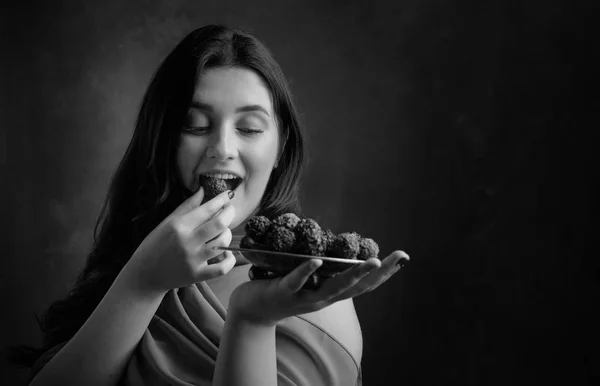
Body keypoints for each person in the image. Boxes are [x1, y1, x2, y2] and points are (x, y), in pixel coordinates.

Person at [10, 24, 409, 386]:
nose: (221, 148)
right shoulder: (137, 259)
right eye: (196, 126)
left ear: (280, 146)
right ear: (162, 140)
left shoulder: (311, 292)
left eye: (249, 128)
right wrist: (140, 283)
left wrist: (252, 318)